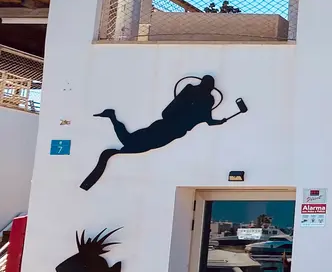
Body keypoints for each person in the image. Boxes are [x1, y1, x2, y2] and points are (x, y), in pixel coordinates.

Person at [80, 75, 242, 190]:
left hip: (168, 125)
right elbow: (206, 119)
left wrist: (216, 121)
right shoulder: (206, 99)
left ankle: (112, 118)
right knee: (133, 143)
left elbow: (191, 112)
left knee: (131, 142)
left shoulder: (193, 91)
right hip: (172, 129)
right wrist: (219, 121)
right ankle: (112, 118)